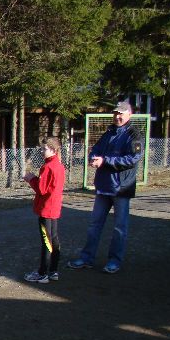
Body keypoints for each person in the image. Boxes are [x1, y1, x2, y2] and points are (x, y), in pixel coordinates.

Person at [67, 100, 143, 274]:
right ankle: (86, 258)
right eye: (115, 113)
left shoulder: (134, 134)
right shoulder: (109, 132)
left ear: (129, 114)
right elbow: (96, 149)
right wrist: (93, 157)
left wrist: (105, 161)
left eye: (121, 114)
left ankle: (114, 261)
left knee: (119, 227)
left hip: (121, 188)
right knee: (94, 224)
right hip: (103, 186)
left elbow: (133, 158)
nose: (117, 116)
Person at [22, 136, 65, 283]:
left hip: (46, 209)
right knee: (54, 238)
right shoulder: (59, 166)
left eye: (44, 149)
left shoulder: (48, 167)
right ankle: (53, 270)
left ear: (53, 149)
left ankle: (42, 273)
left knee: (47, 241)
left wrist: (31, 178)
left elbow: (41, 189)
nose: (41, 151)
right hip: (54, 208)